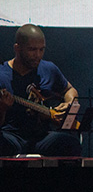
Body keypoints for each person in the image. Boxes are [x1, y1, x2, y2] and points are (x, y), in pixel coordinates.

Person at [0, 24, 82, 156]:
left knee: (70, 143)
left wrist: (69, 103)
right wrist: (2, 108)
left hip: (41, 137)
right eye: (32, 50)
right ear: (17, 48)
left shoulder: (49, 69)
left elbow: (70, 90)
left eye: (41, 49)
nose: (37, 55)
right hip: (12, 136)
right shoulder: (2, 74)